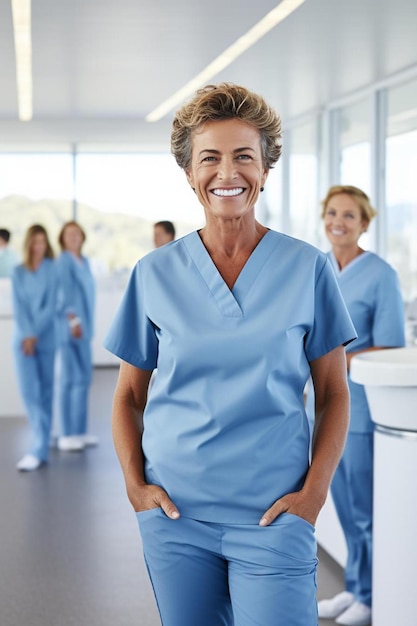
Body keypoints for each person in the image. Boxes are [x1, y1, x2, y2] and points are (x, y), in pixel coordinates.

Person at [104, 83, 357, 626]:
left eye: (244, 156)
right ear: (190, 173)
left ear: (265, 170)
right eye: (210, 158)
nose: (227, 173)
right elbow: (127, 396)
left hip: (274, 516)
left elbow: (335, 393)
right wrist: (134, 486)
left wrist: (313, 496)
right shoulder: (154, 274)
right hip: (174, 516)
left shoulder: (307, 269)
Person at [307, 185, 405, 626]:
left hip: (361, 410)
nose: (338, 222)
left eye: (349, 216)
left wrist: (339, 360)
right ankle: (355, 588)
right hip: (322, 406)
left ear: (364, 223)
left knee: (364, 510)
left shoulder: (381, 274)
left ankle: (370, 597)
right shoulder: (317, 268)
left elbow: (390, 346)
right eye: (332, 213)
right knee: (342, 505)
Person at [11, 224, 57, 471]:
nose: (38, 246)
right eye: (34, 242)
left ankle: (40, 445)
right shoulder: (18, 272)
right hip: (23, 342)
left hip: (46, 338)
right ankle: (39, 442)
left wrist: (34, 335)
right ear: (28, 244)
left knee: (46, 391)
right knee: (30, 393)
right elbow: (19, 308)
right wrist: (27, 336)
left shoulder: (52, 269)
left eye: (42, 241)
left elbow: (51, 306)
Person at [56, 221, 96, 452]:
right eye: (69, 234)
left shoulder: (85, 261)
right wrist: (73, 320)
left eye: (77, 233)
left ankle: (79, 430)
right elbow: (62, 293)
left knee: (83, 380)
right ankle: (66, 433)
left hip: (85, 328)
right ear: (62, 238)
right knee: (70, 380)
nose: (74, 237)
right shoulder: (63, 261)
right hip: (71, 327)